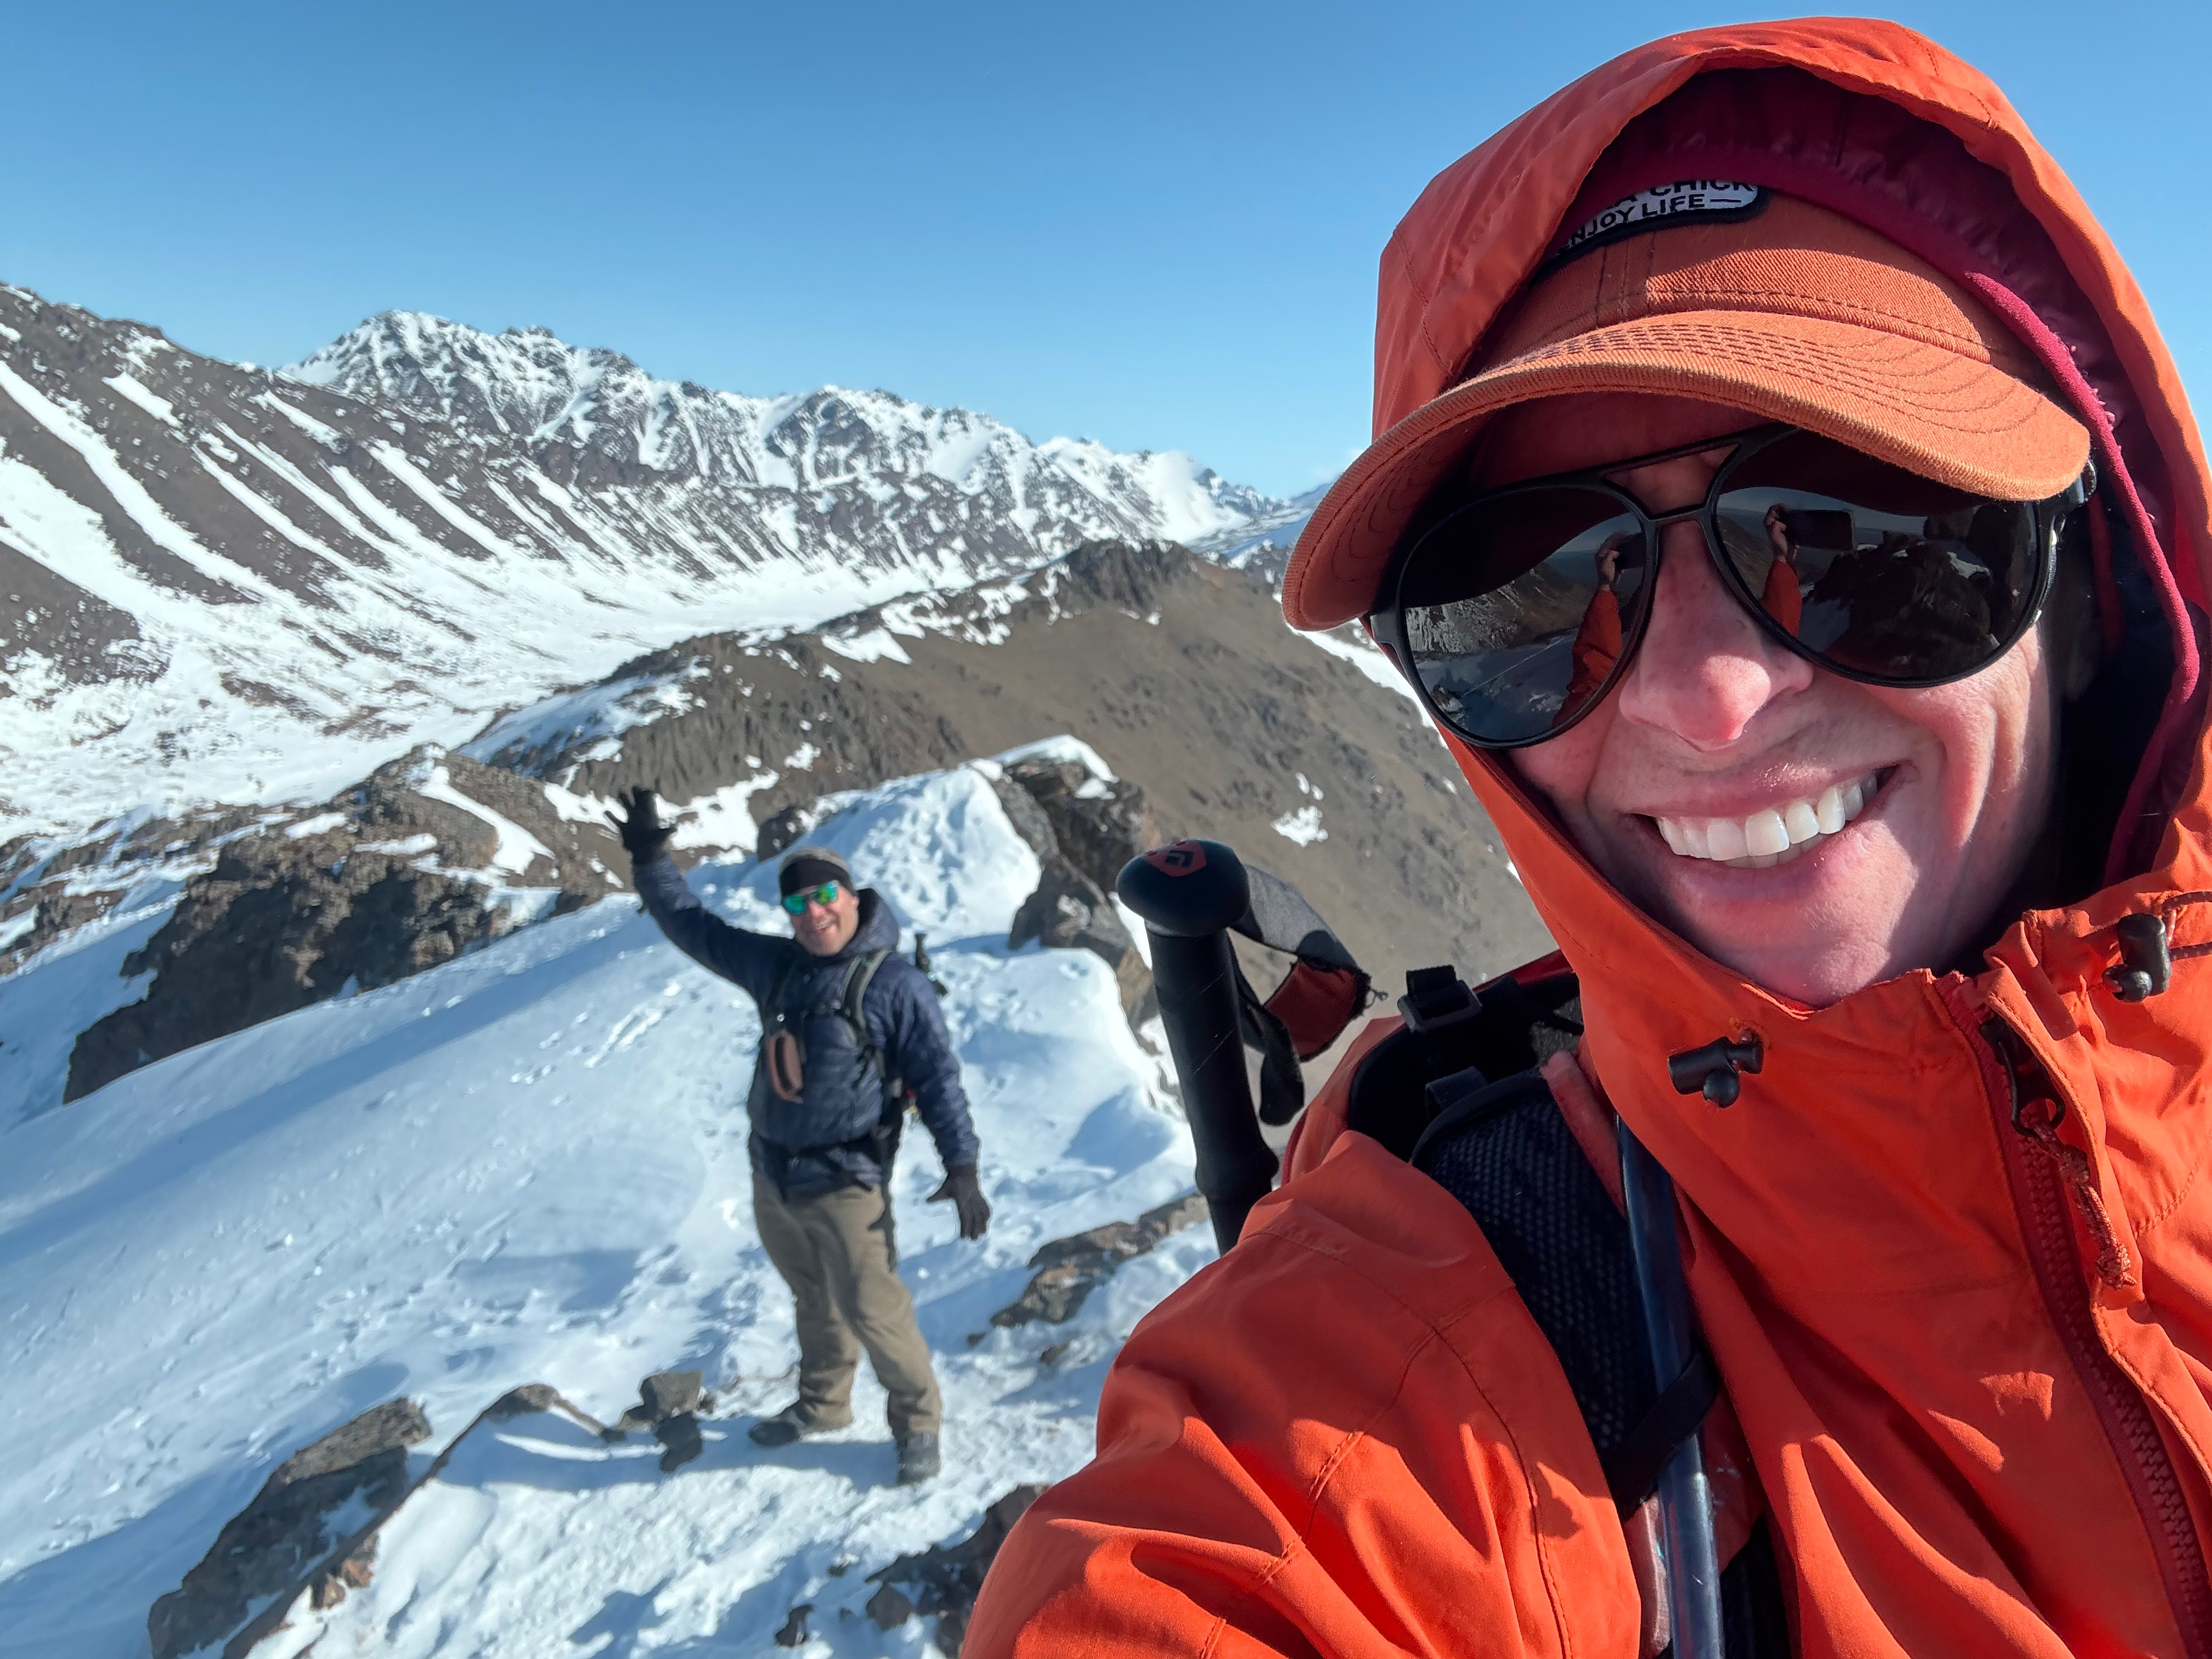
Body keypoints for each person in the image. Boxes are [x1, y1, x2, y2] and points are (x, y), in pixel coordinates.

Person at [968, 19, 2212, 1657]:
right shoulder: (1414, 1362)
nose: (1704, 698)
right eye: (1534, 585)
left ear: (2091, 582)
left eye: (1861, 531)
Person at [608, 788, 991, 1487]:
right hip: (774, 1176)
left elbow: (937, 1078)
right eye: (796, 903)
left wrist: (962, 1168)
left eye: (824, 897)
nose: (813, 913)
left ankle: (918, 1423)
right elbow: (691, 924)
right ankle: (823, 1404)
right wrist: (651, 858)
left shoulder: (894, 984)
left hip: (848, 1181)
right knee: (811, 1298)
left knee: (874, 1310)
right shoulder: (778, 967)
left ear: (851, 897)